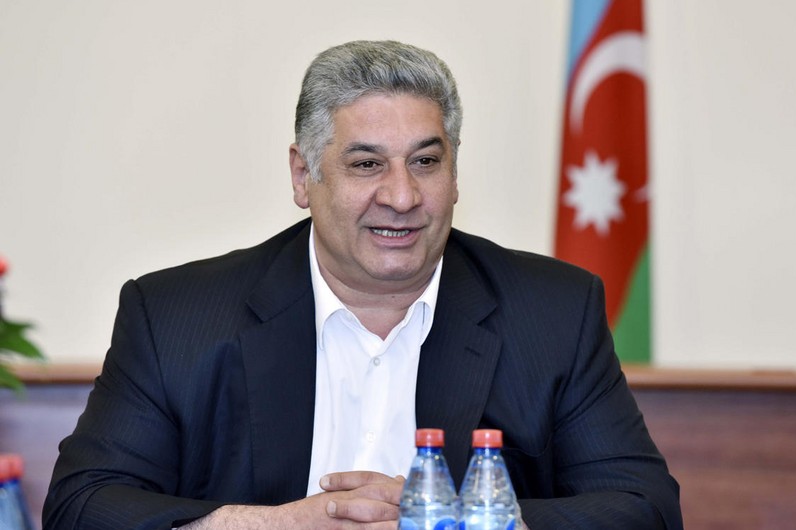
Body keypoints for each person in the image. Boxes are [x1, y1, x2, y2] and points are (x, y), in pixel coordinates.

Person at [43, 40, 682, 529]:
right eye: (366, 164)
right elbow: (82, 506)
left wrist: (451, 520)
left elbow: (645, 509)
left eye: (425, 162)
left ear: (455, 175)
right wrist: (274, 525)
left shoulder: (553, 312)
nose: (401, 196)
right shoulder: (176, 317)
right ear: (303, 177)